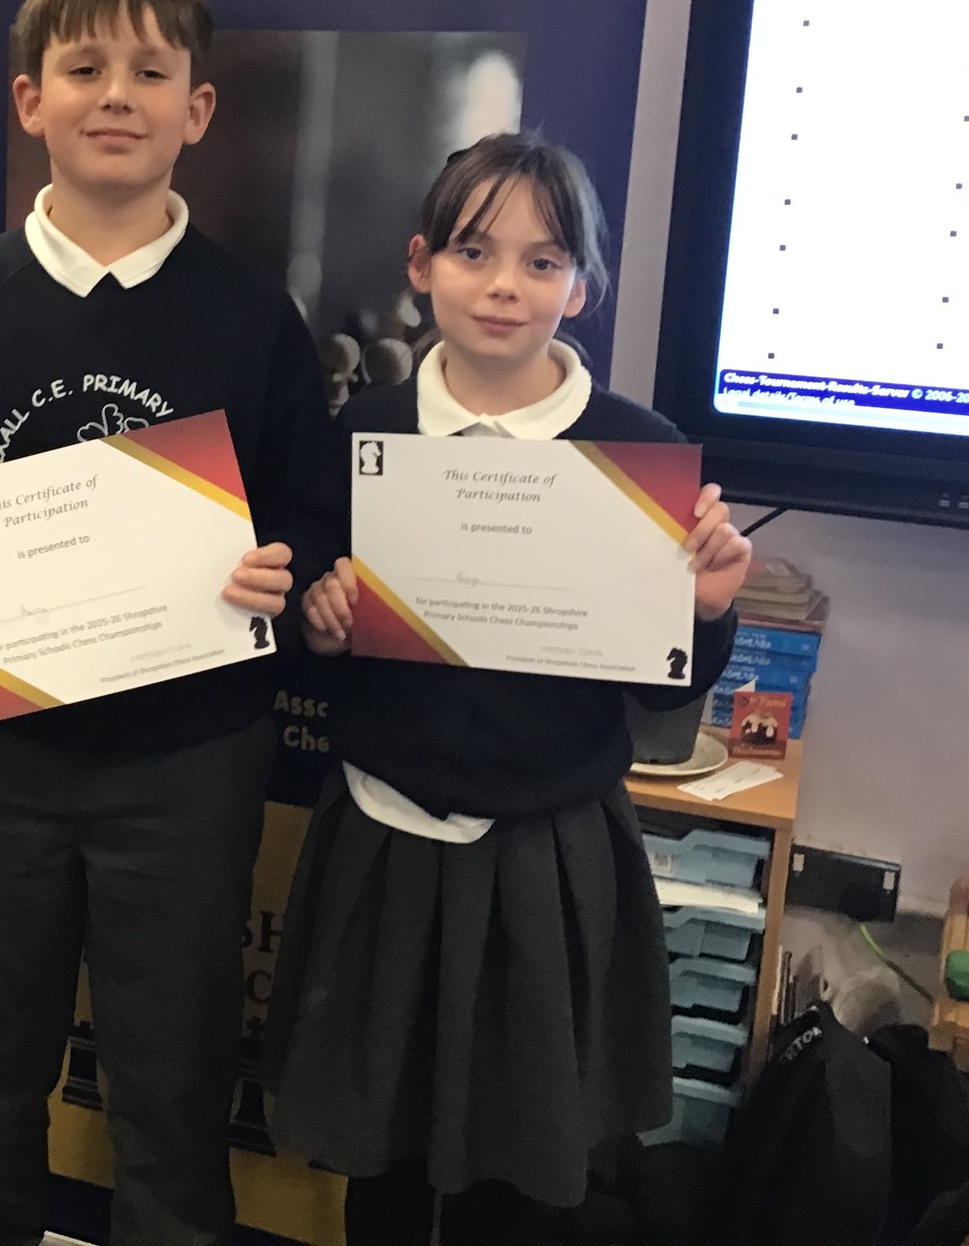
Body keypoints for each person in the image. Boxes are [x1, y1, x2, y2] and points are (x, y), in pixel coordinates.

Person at [0, 0, 341, 1246]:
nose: (117, 94)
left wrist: (278, 567)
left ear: (197, 109)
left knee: (173, 1086)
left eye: (150, 72)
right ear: (29, 100)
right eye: (83, 68)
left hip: (187, 761)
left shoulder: (252, 318)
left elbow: (313, 514)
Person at [265, 133, 755, 1246]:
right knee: (381, 1157)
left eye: (542, 262)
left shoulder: (636, 453)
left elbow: (665, 692)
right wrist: (320, 624)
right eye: (474, 251)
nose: (503, 286)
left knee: (524, 1163)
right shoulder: (368, 432)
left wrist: (707, 609)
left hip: (547, 845)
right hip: (384, 833)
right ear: (421, 263)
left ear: (580, 287)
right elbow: (300, 627)